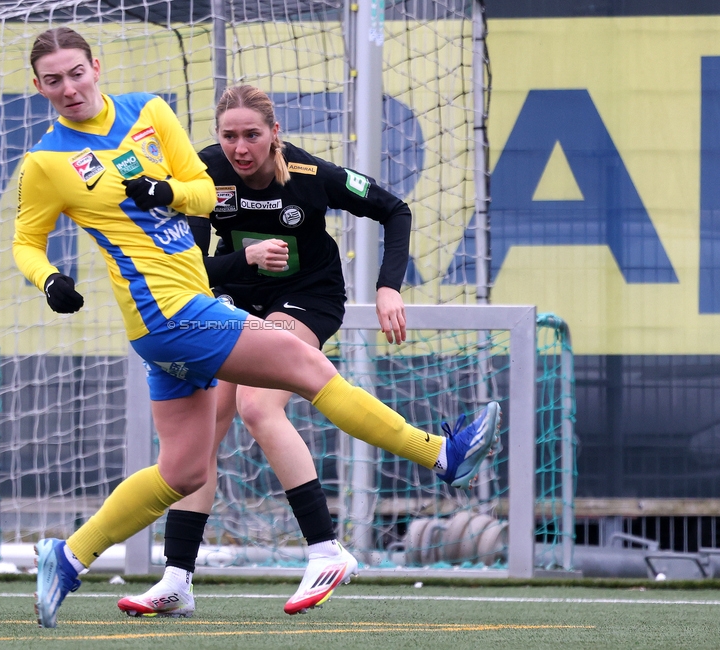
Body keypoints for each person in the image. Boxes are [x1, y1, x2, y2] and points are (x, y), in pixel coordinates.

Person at [14, 28, 501, 629]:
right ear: (38, 87)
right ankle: (440, 456)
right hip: (174, 314)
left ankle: (67, 558)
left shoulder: (150, 113)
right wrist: (49, 279)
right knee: (303, 372)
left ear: (97, 68)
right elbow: (25, 243)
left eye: (77, 73)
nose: (69, 88)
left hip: (177, 318)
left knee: (184, 470)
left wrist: (164, 190)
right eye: (54, 80)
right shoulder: (45, 161)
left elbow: (199, 194)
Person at [116, 85, 499, 618]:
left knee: (256, 405)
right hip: (235, 300)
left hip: (308, 300)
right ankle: (177, 579)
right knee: (206, 429)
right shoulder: (204, 175)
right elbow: (194, 270)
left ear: (276, 133)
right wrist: (245, 259)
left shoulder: (313, 177)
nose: (240, 146)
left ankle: (325, 549)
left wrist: (389, 285)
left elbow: (395, 209)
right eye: (229, 135)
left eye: (252, 134)